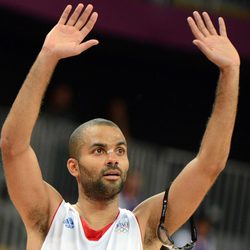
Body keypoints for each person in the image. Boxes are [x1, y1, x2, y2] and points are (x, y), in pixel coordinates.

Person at [0, 2, 240, 250]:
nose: (113, 158)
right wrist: (46, 58)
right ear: (74, 167)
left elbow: (210, 164)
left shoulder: (144, 228)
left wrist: (231, 73)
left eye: (120, 150)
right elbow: (13, 146)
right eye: (99, 150)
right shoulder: (48, 216)